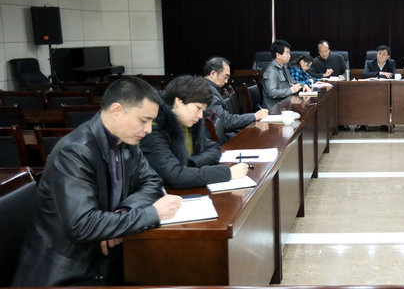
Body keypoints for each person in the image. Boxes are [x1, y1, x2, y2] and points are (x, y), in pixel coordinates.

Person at [12, 77, 182, 287]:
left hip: (105, 259)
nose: (148, 129)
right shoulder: (74, 152)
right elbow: (82, 225)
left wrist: (124, 212)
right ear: (116, 111)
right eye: (144, 120)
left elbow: (152, 182)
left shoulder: (126, 142)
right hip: (68, 273)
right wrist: (152, 213)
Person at [140, 75, 250, 189]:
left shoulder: (189, 122)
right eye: (198, 108)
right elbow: (175, 176)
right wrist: (227, 173)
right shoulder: (153, 129)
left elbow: (214, 148)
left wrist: (191, 163)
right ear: (179, 101)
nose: (200, 116)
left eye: (203, 110)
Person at [203, 56, 269, 142]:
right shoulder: (208, 93)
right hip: (218, 143)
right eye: (225, 77)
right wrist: (254, 116)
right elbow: (225, 122)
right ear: (213, 74)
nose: (226, 81)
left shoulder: (207, 87)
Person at [262, 39, 310, 109]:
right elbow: (272, 93)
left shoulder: (284, 67)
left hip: (285, 105)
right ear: (278, 55)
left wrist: (304, 85)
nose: (289, 56)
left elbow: (292, 82)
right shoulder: (271, 71)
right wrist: (291, 90)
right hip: (273, 109)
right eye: (287, 53)